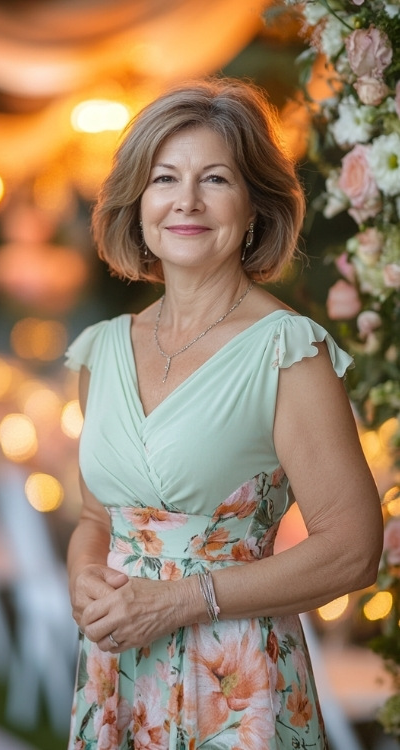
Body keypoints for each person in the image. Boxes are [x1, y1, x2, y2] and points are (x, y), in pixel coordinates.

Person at [65, 77, 383, 750]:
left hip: (237, 689)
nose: (186, 201)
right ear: (138, 203)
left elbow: (354, 550)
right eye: (164, 179)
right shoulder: (101, 352)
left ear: (254, 207)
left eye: (214, 178)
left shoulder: (286, 352)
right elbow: (98, 519)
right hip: (119, 673)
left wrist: (178, 601)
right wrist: (84, 585)